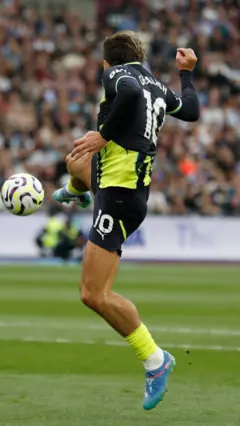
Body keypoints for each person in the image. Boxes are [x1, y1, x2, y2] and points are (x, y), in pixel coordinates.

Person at [52, 32, 200, 410]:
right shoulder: (158, 86)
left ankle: (155, 360)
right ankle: (78, 190)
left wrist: (103, 135)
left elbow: (130, 96)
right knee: (76, 159)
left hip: (120, 198)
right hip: (118, 185)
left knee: (93, 294)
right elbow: (191, 110)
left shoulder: (117, 76)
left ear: (107, 63)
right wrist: (186, 73)